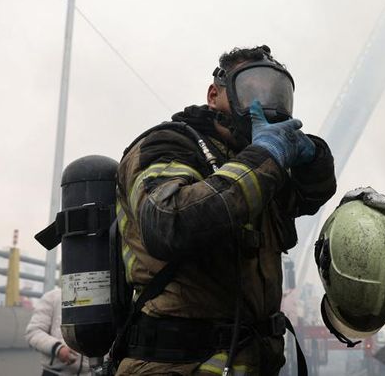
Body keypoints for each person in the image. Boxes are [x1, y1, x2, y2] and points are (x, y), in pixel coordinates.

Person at [114, 45, 336, 375]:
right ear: (214, 94)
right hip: (175, 365)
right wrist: (265, 156)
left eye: (275, 93)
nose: (264, 102)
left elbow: (310, 195)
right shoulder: (169, 145)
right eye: (251, 90)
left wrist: (314, 155)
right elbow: (169, 221)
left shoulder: (259, 164)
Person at [25, 287, 92, 375]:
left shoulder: (101, 299)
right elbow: (33, 332)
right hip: (54, 373)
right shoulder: (52, 297)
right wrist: (58, 348)